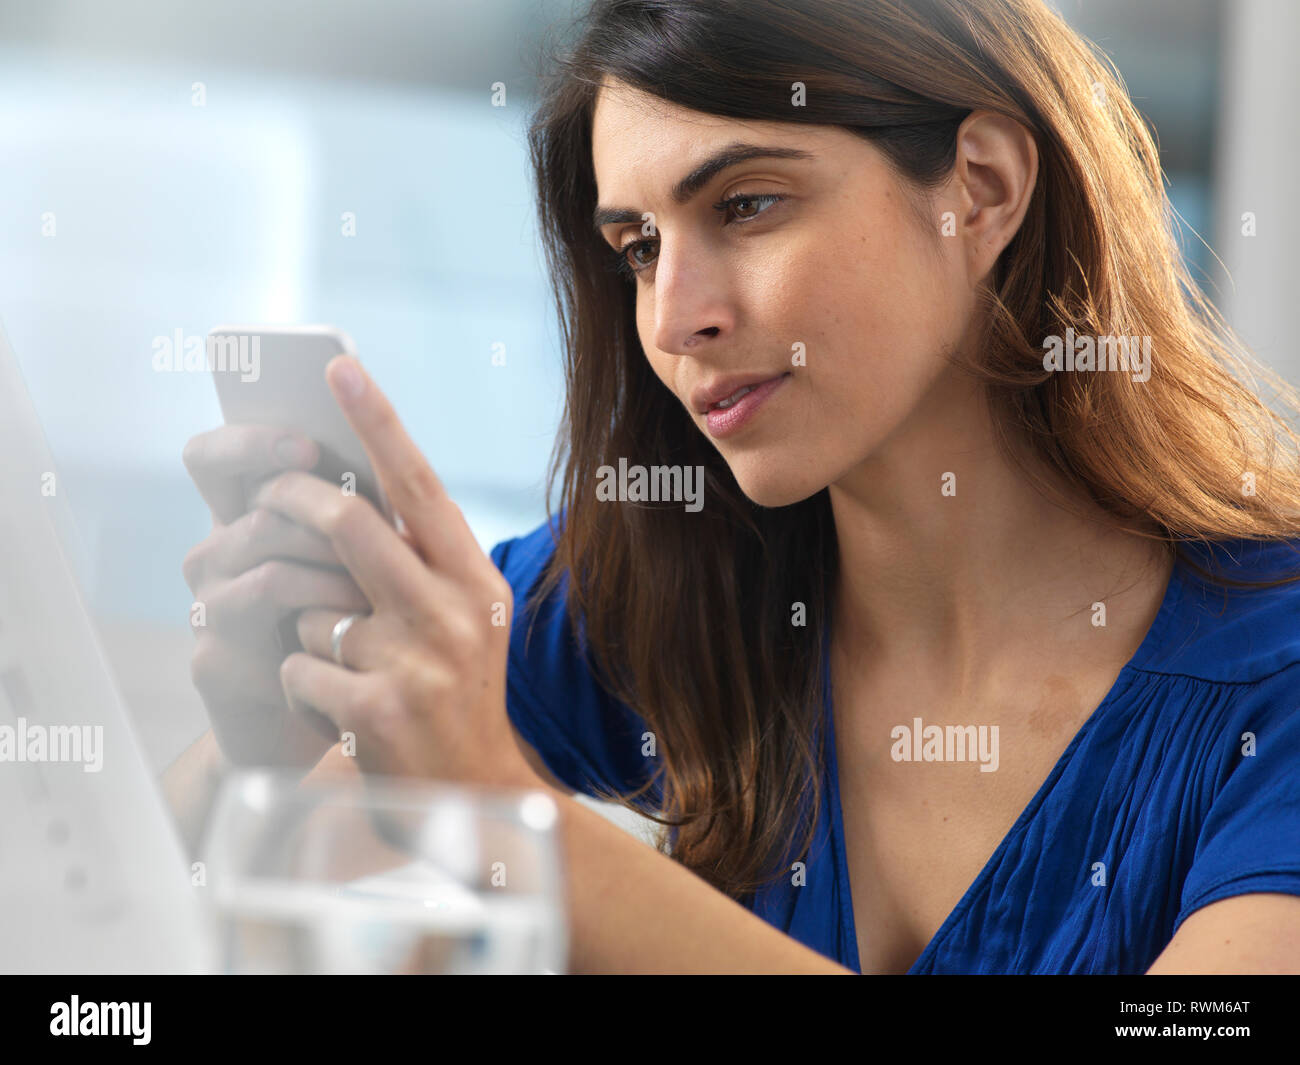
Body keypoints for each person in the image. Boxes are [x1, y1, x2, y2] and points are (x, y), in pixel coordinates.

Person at [165, 0, 1300, 974]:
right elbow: (140, 894)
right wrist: (270, 749)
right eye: (638, 247)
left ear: (983, 190)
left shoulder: (1273, 675)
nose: (672, 318)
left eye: (747, 206)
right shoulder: (663, 579)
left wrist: (507, 822)